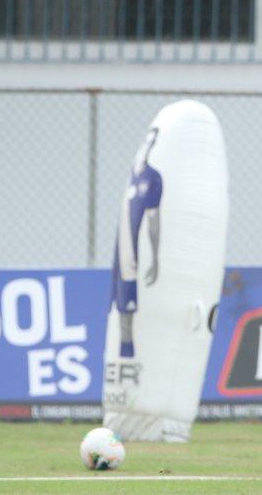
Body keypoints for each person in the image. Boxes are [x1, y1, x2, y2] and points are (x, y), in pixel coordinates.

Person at [114, 127, 163, 359]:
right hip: (121, 256)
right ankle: (124, 354)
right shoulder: (132, 176)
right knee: (119, 306)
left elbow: (154, 221)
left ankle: (130, 352)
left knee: (131, 304)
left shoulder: (153, 178)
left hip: (133, 258)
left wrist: (155, 258)